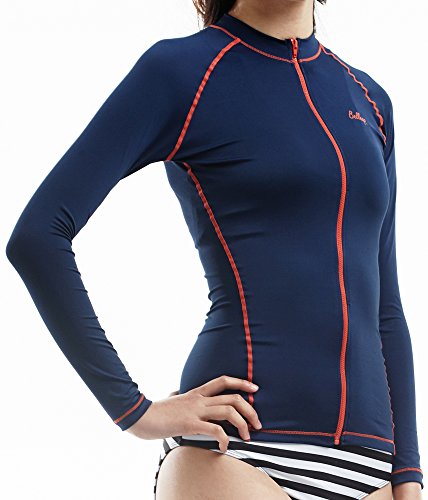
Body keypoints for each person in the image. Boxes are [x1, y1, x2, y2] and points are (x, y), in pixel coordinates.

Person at [5, 0, 424, 499]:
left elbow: (385, 306)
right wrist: (134, 411)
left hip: (371, 466)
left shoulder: (369, 98)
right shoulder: (183, 71)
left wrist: (409, 472)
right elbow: (38, 236)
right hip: (238, 452)